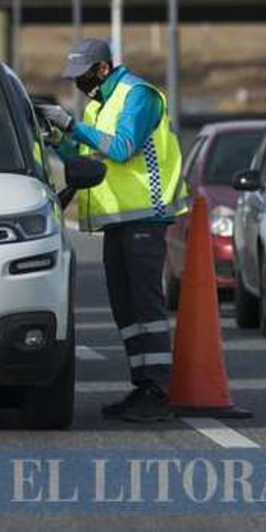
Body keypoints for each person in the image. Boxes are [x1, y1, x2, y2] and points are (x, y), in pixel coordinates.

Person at [40, 38, 186, 423]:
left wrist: (71, 124)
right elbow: (89, 161)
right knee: (126, 310)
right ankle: (143, 387)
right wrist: (59, 141)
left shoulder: (138, 95)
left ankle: (158, 390)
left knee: (146, 308)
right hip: (118, 221)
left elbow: (122, 149)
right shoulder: (99, 106)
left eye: (83, 75)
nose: (79, 84)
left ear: (103, 68)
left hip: (144, 218)